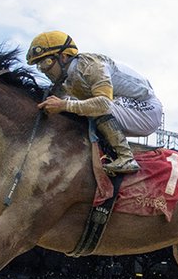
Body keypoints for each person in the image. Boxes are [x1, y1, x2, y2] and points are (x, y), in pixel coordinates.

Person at [26, 31, 164, 175]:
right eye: (39, 66)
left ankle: (126, 158)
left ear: (63, 57)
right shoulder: (66, 77)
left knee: (92, 107)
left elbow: (103, 104)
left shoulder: (91, 67)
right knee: (77, 105)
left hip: (147, 109)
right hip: (127, 106)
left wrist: (63, 105)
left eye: (46, 62)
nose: (44, 70)